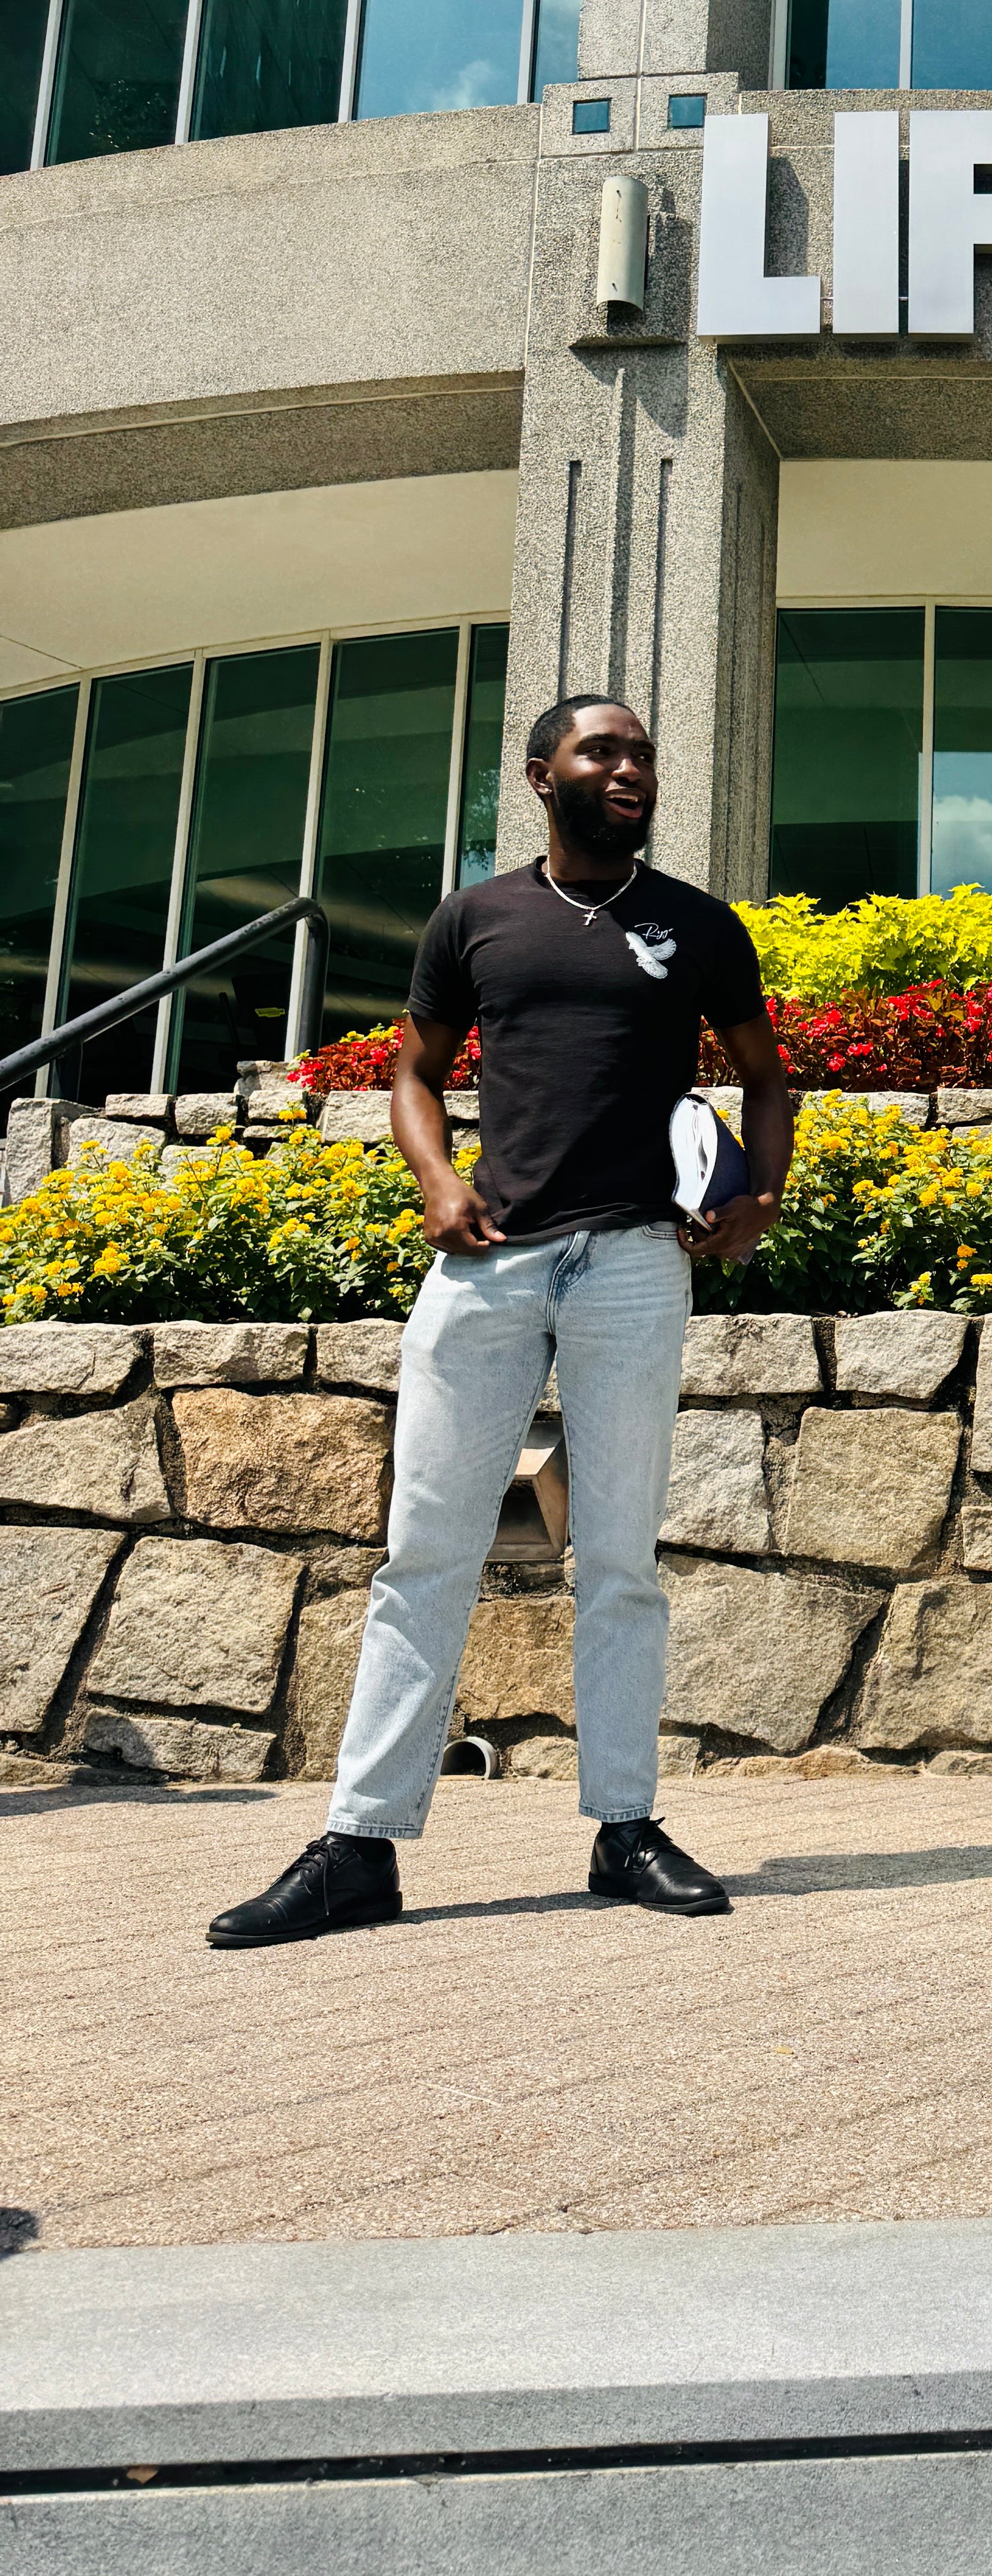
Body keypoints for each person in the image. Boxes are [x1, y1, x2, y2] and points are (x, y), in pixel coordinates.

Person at [209, 696, 793, 1950]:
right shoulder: (476, 919)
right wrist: (438, 1182)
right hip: (487, 1265)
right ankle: (359, 1847)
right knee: (425, 1553)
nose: (630, 767)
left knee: (622, 1560)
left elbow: (763, 1069)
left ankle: (625, 1828)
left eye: (641, 752)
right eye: (604, 751)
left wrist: (759, 1195)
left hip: (637, 1261)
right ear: (543, 776)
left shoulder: (695, 923)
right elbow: (414, 1074)